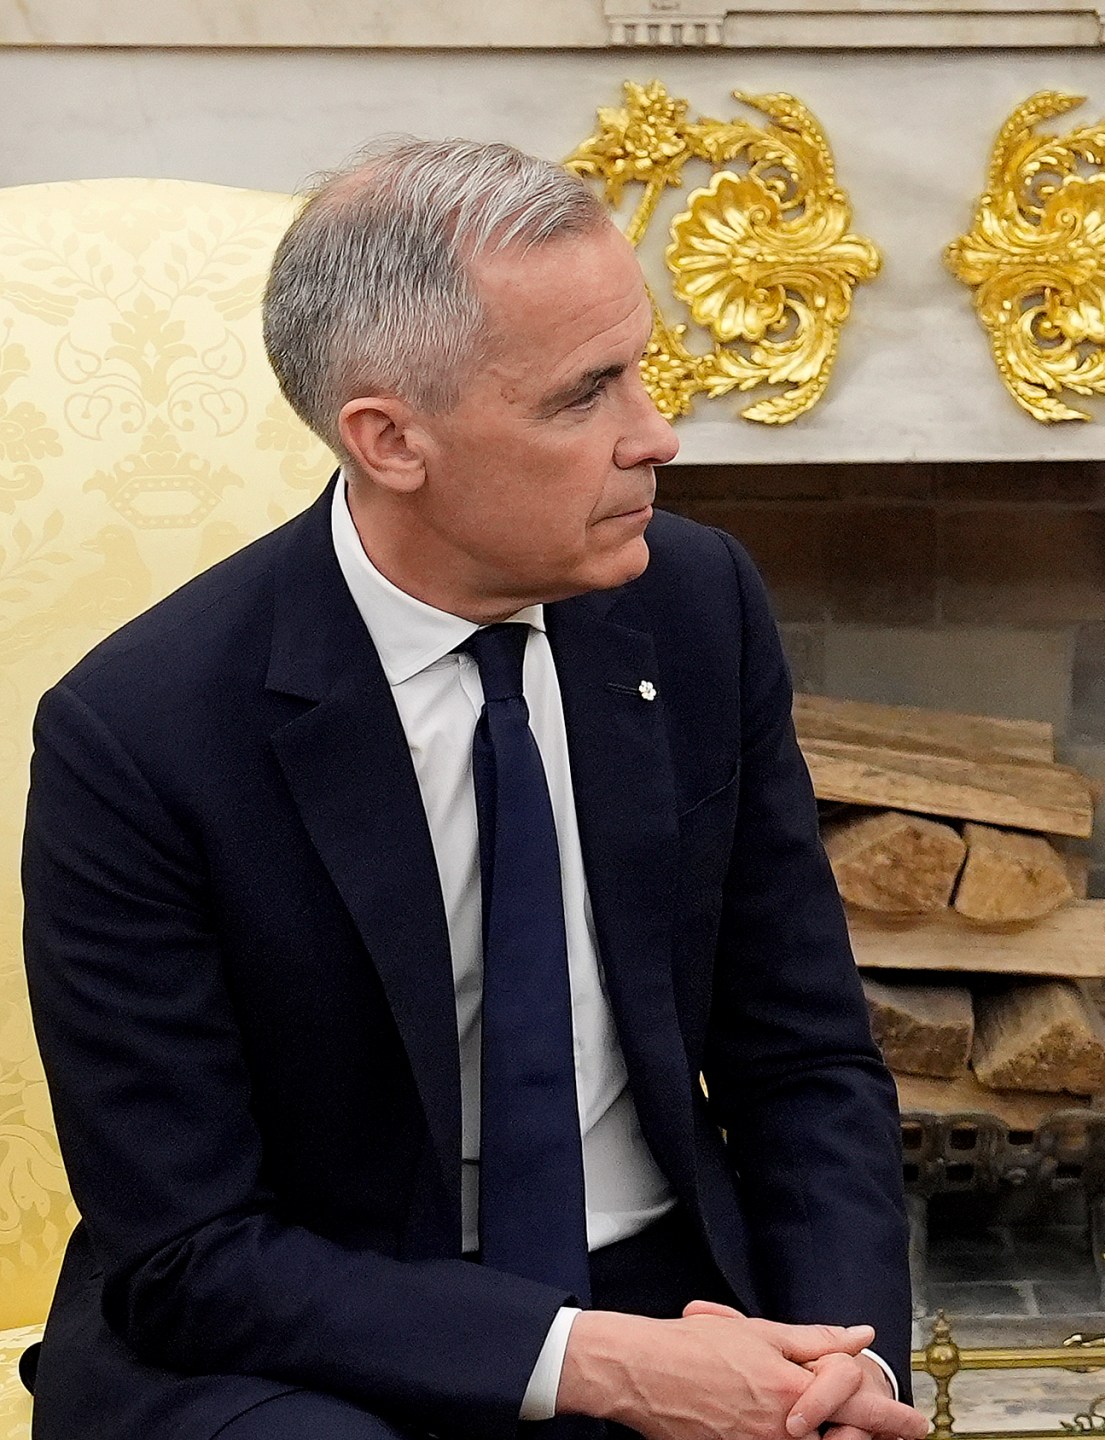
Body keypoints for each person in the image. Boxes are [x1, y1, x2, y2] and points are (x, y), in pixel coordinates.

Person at [20, 139, 926, 1440]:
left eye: (642, 368)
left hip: (673, 1289)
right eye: (583, 397)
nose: (655, 435)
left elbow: (806, 1063)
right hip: (297, 1333)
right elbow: (191, 1254)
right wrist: (598, 1365)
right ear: (392, 440)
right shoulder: (143, 736)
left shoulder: (697, 608)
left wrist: (851, 1364)